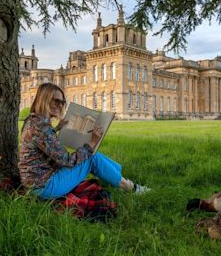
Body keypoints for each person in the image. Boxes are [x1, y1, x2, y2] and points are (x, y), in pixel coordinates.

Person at [19, 82, 150, 199]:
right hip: (44, 188)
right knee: (91, 157)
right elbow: (68, 161)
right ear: (44, 99)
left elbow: (44, 144)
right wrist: (92, 143)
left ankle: (118, 178)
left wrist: (57, 129)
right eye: (56, 101)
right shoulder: (42, 128)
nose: (59, 105)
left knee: (91, 155)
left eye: (62, 102)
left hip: (35, 183)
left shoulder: (34, 121)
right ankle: (130, 187)